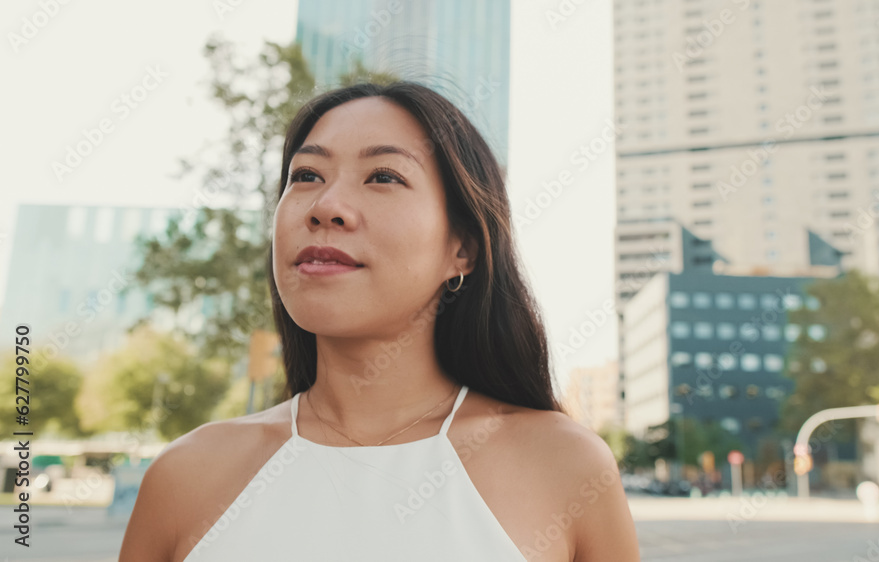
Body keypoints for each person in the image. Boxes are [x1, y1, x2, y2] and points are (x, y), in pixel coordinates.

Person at [119, 80, 640, 561]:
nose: (326, 206)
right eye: (306, 176)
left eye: (383, 176)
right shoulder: (186, 475)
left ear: (463, 248)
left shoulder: (565, 467)